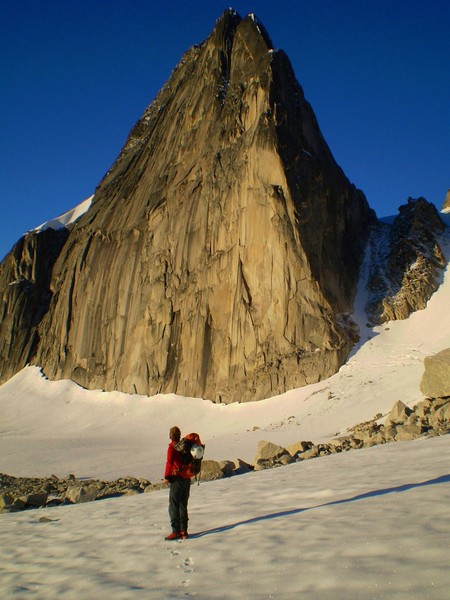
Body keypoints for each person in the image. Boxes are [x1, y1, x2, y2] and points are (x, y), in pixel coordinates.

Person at [164, 426, 191, 540]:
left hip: (177, 479)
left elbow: (169, 463)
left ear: (171, 436)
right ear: (179, 435)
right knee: (183, 504)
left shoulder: (172, 448)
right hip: (186, 478)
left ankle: (176, 531)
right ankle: (184, 531)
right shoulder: (185, 446)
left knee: (174, 505)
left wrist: (166, 477)